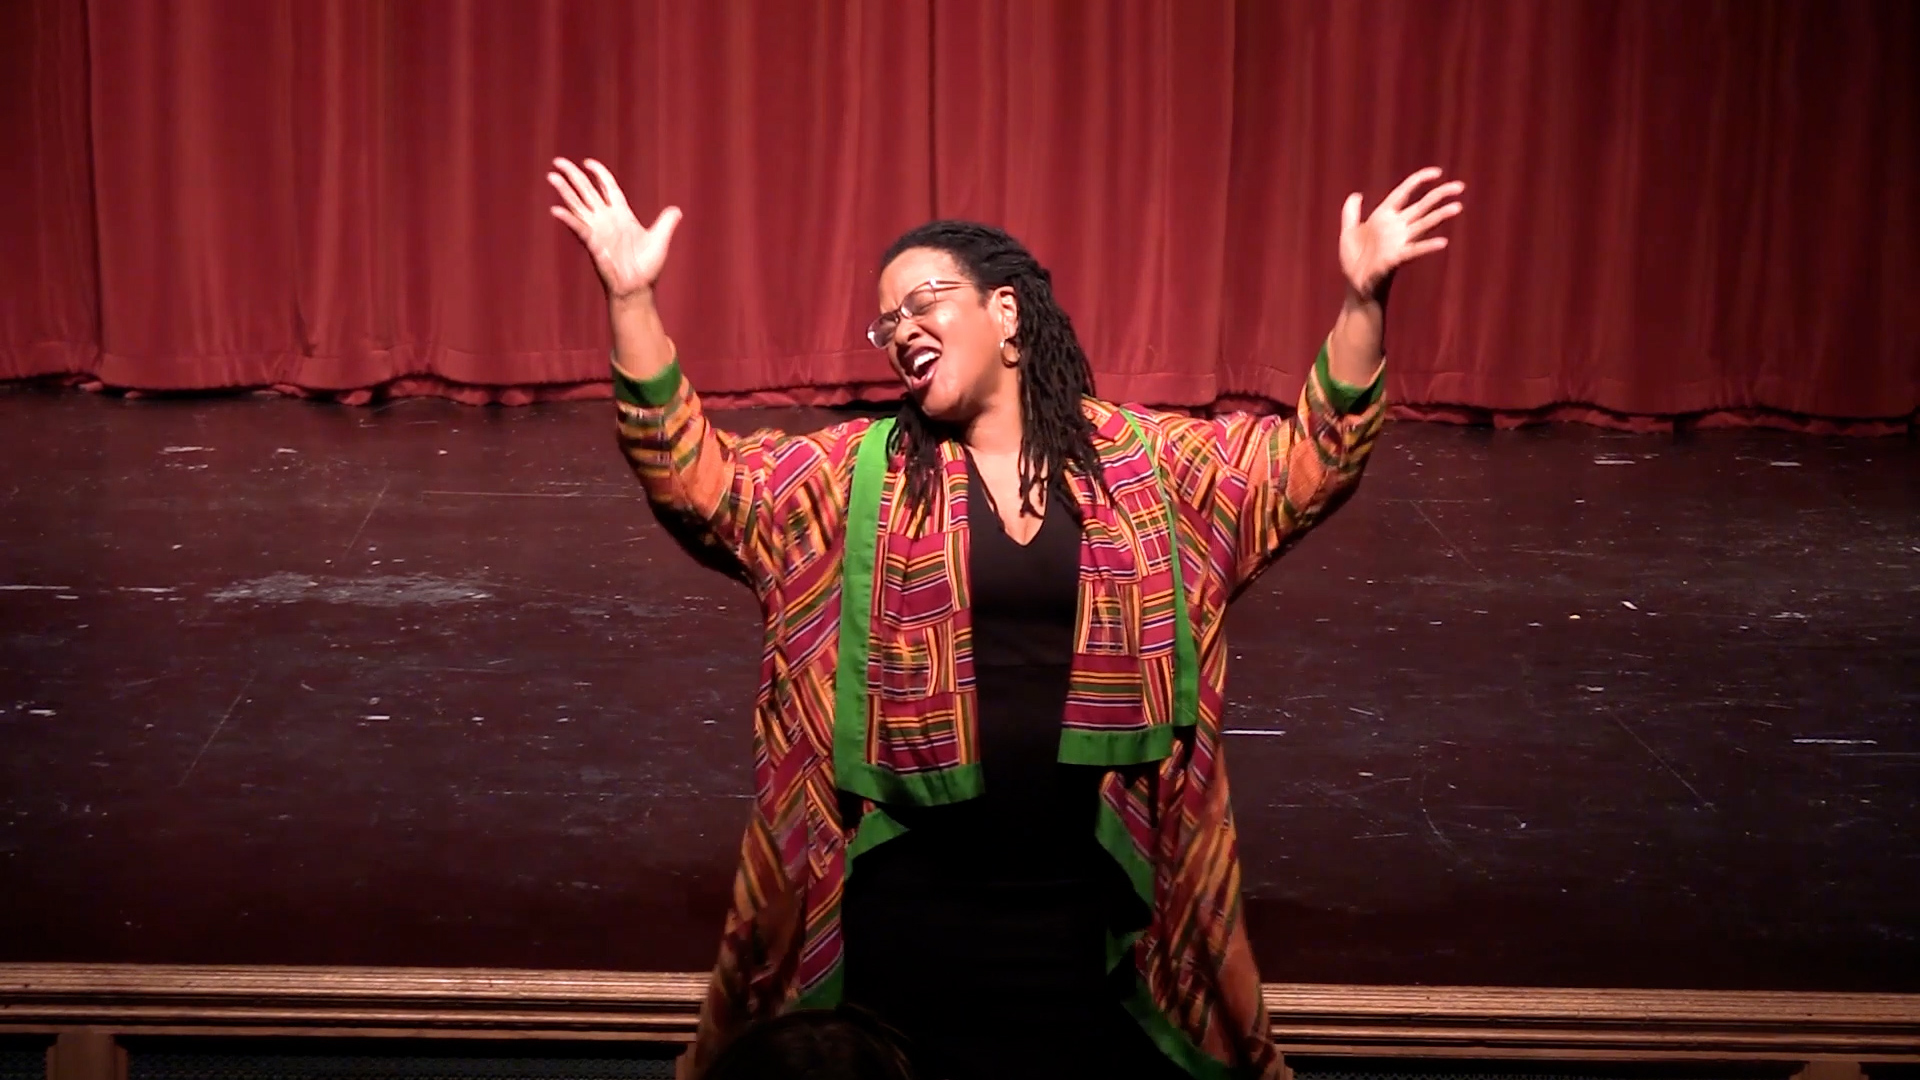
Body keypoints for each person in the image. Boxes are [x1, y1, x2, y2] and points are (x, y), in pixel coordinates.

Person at [547, 157, 1462, 1080]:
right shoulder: (852, 479)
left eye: (924, 303)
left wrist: (1361, 299)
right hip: (906, 902)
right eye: (886, 322)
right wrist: (631, 301)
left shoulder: (1148, 467)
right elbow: (696, 482)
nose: (901, 330)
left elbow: (1310, 463)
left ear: (1008, 313)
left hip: (1090, 893)